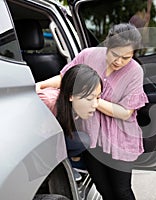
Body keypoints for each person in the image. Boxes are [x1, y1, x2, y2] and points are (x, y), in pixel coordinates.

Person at [36, 23, 148, 200]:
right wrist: (39, 85)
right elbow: (66, 78)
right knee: (104, 190)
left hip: (119, 138)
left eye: (126, 57)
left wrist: (89, 98)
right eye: (115, 54)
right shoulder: (88, 55)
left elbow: (125, 112)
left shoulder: (135, 71)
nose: (119, 61)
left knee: (122, 191)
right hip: (91, 132)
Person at [38, 64, 102, 181]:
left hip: (50, 140)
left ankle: (67, 164)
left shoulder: (75, 107)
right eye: (89, 98)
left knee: (83, 140)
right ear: (71, 95)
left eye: (98, 98)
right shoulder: (46, 101)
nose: (95, 105)